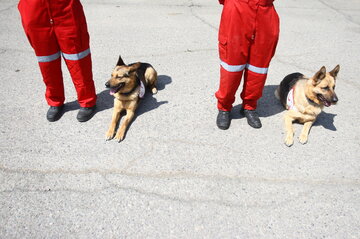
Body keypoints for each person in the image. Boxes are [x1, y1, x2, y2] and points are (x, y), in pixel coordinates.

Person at [18, 0, 97, 122]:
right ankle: (55, 101)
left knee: (78, 58)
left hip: (66, 9)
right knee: (47, 61)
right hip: (34, 10)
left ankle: (87, 100)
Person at [215, 0, 279, 129]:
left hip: (265, 13)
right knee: (231, 67)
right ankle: (224, 108)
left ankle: (249, 106)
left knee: (258, 68)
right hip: (237, 11)